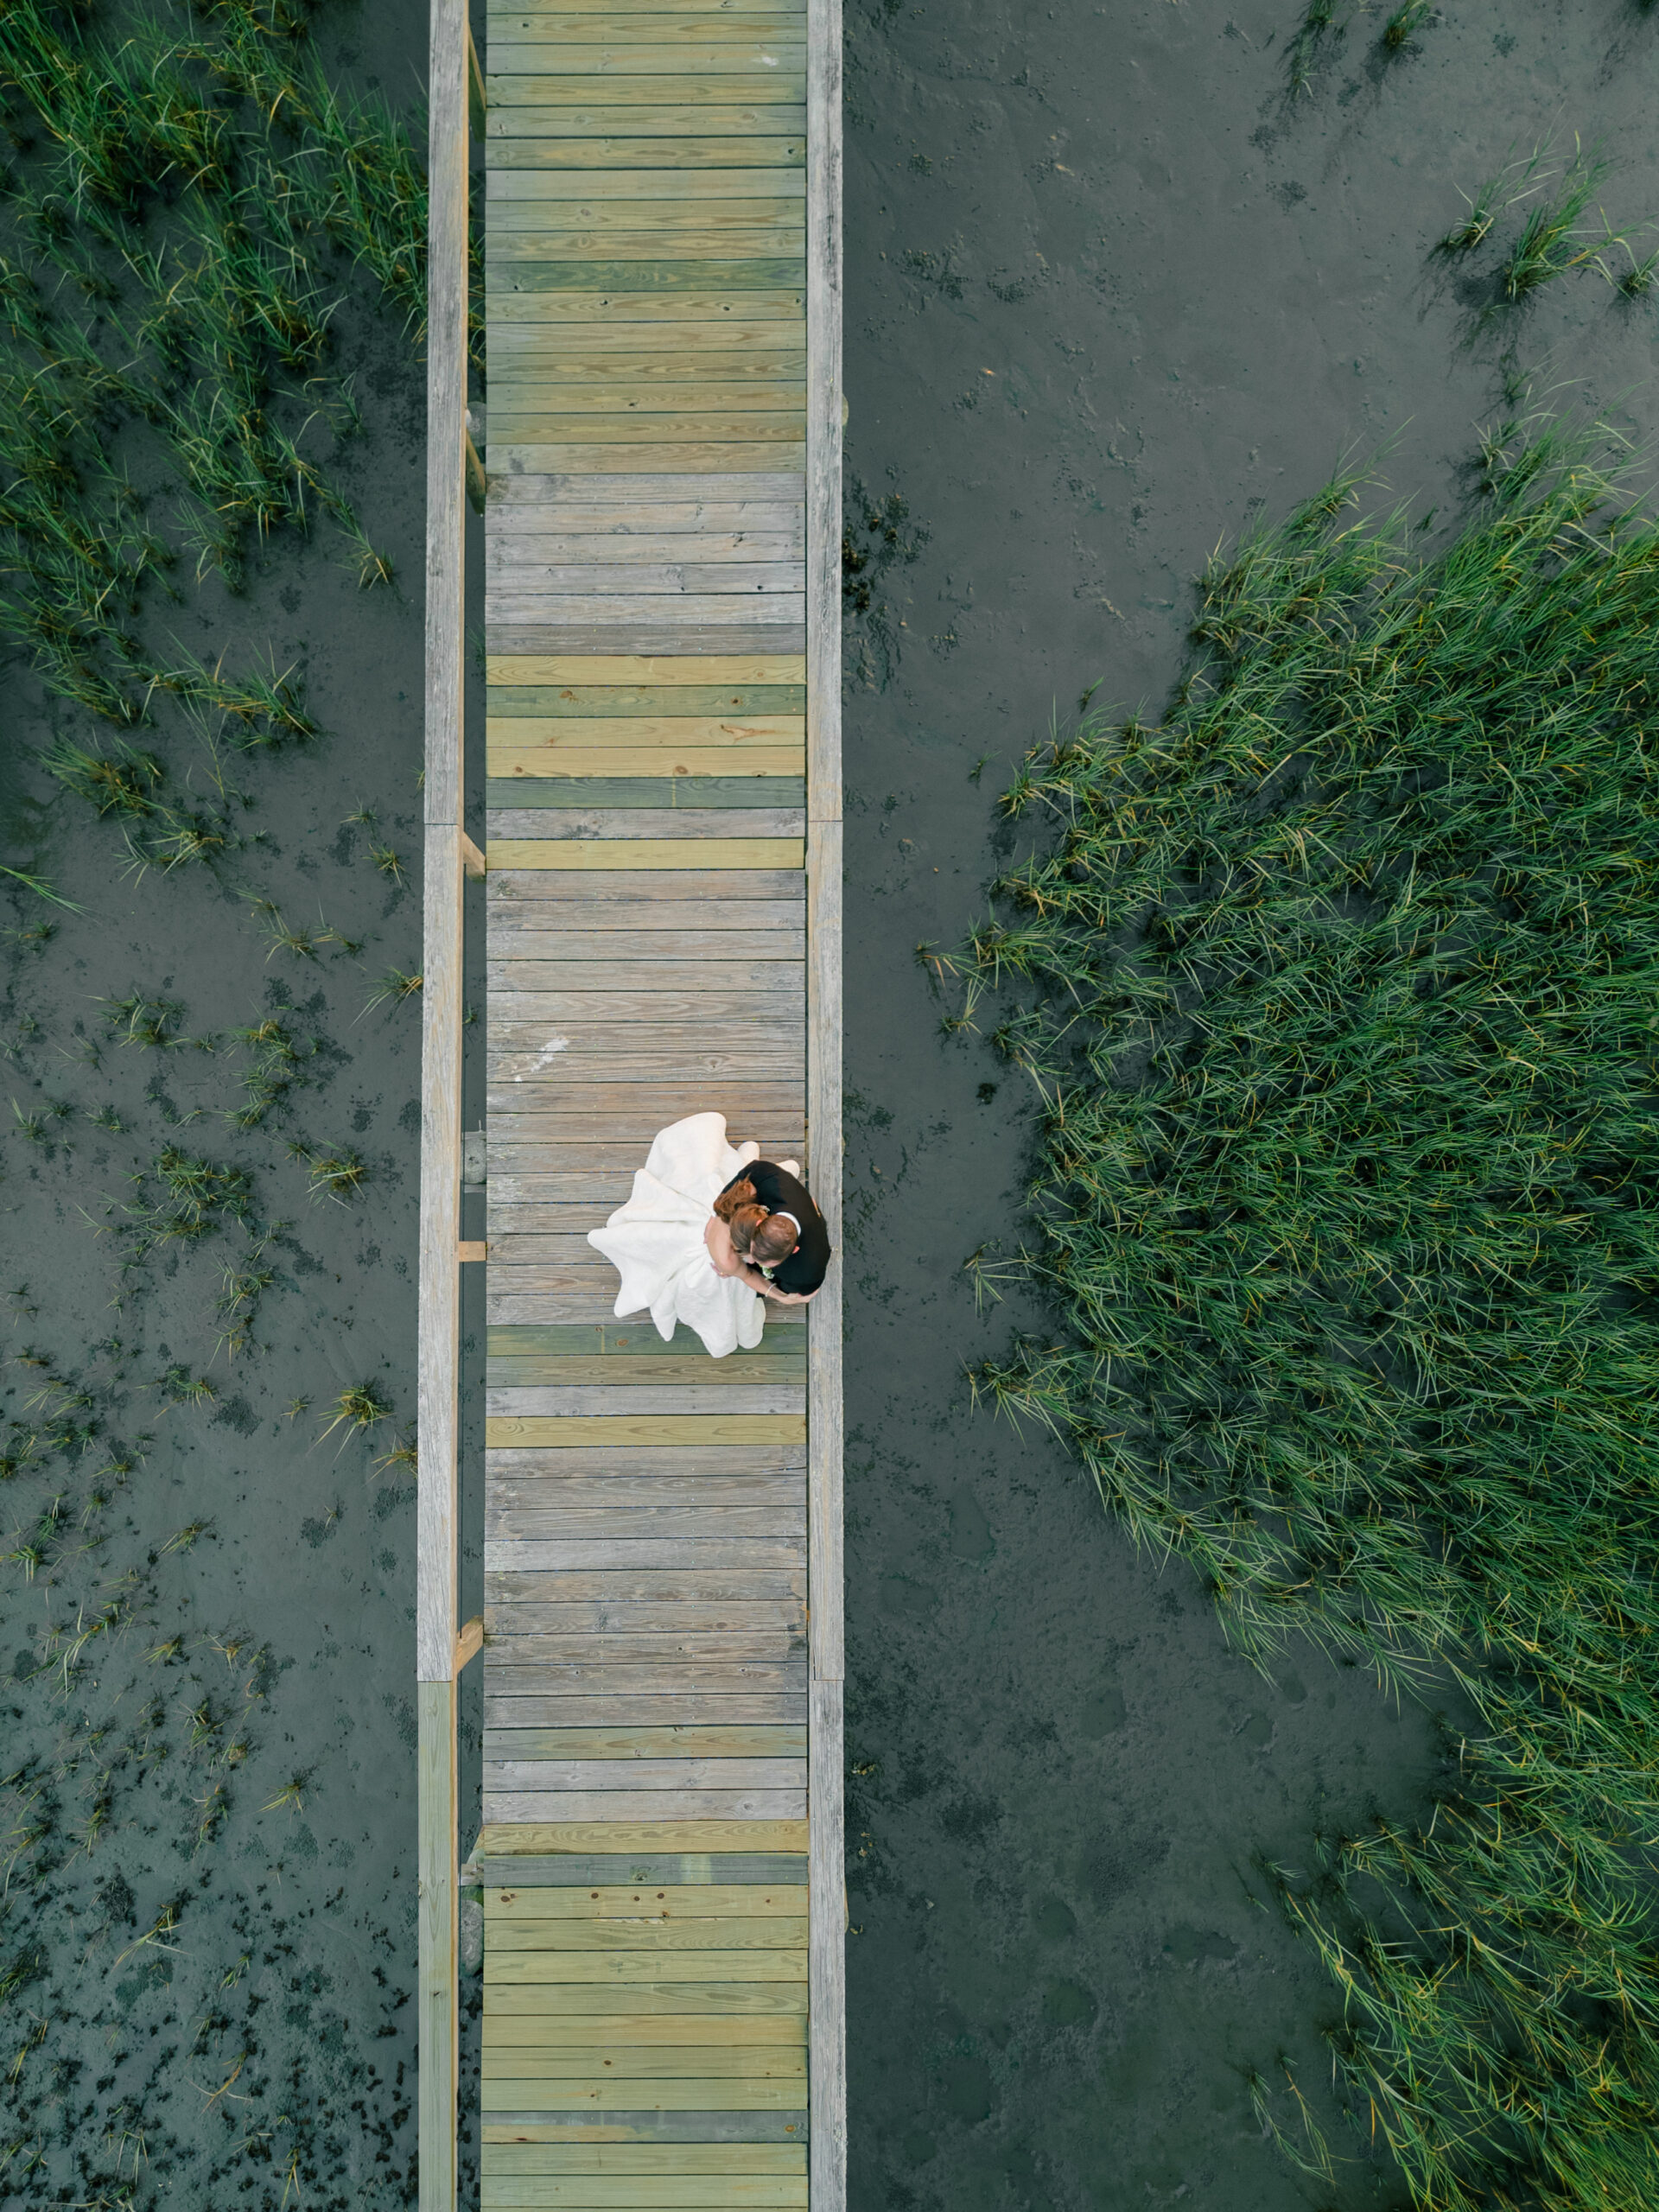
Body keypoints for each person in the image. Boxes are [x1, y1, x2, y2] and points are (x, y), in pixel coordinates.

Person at [703, 1157, 830, 1304]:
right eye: (753, 1254)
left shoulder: (805, 1272)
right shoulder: (772, 1179)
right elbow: (751, 1169)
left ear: (794, 1250)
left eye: (761, 1261)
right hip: (795, 1202)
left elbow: (800, 1289)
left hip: (811, 1228)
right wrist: (715, 1213)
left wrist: (782, 1297)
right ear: (761, 1221)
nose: (750, 1260)